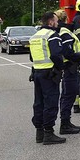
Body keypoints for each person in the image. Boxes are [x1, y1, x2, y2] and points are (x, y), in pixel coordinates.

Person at [30, 11, 66, 145]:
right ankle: (49, 133)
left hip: (37, 72)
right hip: (50, 73)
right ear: (51, 22)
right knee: (50, 102)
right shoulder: (52, 35)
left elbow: (32, 57)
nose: (57, 23)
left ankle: (39, 133)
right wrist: (61, 67)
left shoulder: (35, 36)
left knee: (39, 103)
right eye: (56, 21)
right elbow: (56, 55)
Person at [55, 9, 80, 135]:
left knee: (67, 96)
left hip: (68, 67)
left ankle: (66, 122)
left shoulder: (60, 31)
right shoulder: (64, 32)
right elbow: (68, 52)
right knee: (68, 96)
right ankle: (65, 124)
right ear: (66, 19)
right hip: (70, 67)